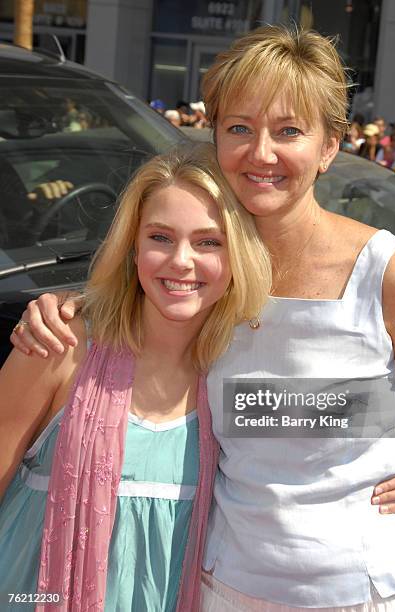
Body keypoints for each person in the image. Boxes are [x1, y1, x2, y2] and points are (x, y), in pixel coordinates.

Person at [12, 25, 395, 611]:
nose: (261, 153)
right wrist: (64, 309)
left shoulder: (391, 275)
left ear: (330, 146)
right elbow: (137, 318)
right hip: (222, 587)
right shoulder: (203, 275)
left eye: (289, 131)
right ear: (215, 136)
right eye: (239, 129)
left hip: (370, 593)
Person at [0, 143, 271, 611]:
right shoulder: (61, 345)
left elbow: (336, 438)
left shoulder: (240, 373)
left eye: (209, 241)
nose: (181, 261)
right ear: (133, 245)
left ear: (238, 257)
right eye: (160, 237)